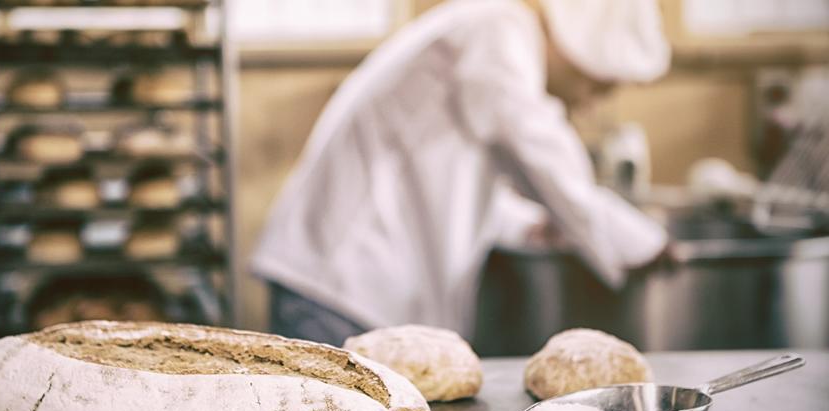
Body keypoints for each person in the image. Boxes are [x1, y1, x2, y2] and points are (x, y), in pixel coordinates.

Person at [252, 0, 671, 346]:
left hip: (349, 288)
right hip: (340, 287)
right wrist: (637, 241)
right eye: (597, 86)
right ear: (581, 50)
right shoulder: (497, 27)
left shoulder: (488, 33)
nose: (589, 104)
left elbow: (459, 173)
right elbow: (533, 141)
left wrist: (526, 225)